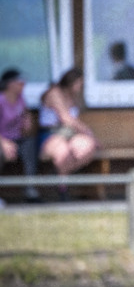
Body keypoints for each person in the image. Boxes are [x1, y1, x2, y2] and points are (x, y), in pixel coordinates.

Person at [38, 67, 98, 194]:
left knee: (87, 147)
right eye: (79, 83)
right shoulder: (54, 93)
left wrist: (90, 138)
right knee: (64, 153)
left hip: (70, 133)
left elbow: (72, 124)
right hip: (51, 133)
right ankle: (63, 188)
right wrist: (88, 132)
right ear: (70, 81)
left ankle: (58, 176)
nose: (80, 86)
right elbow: (66, 119)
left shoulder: (74, 97)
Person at [0, 68, 41, 204]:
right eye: (20, 82)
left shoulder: (20, 99)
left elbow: (25, 114)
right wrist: (4, 143)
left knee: (31, 146)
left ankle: (30, 189)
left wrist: (27, 120)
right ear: (10, 84)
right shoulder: (1, 100)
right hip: (2, 140)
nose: (23, 85)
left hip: (17, 139)